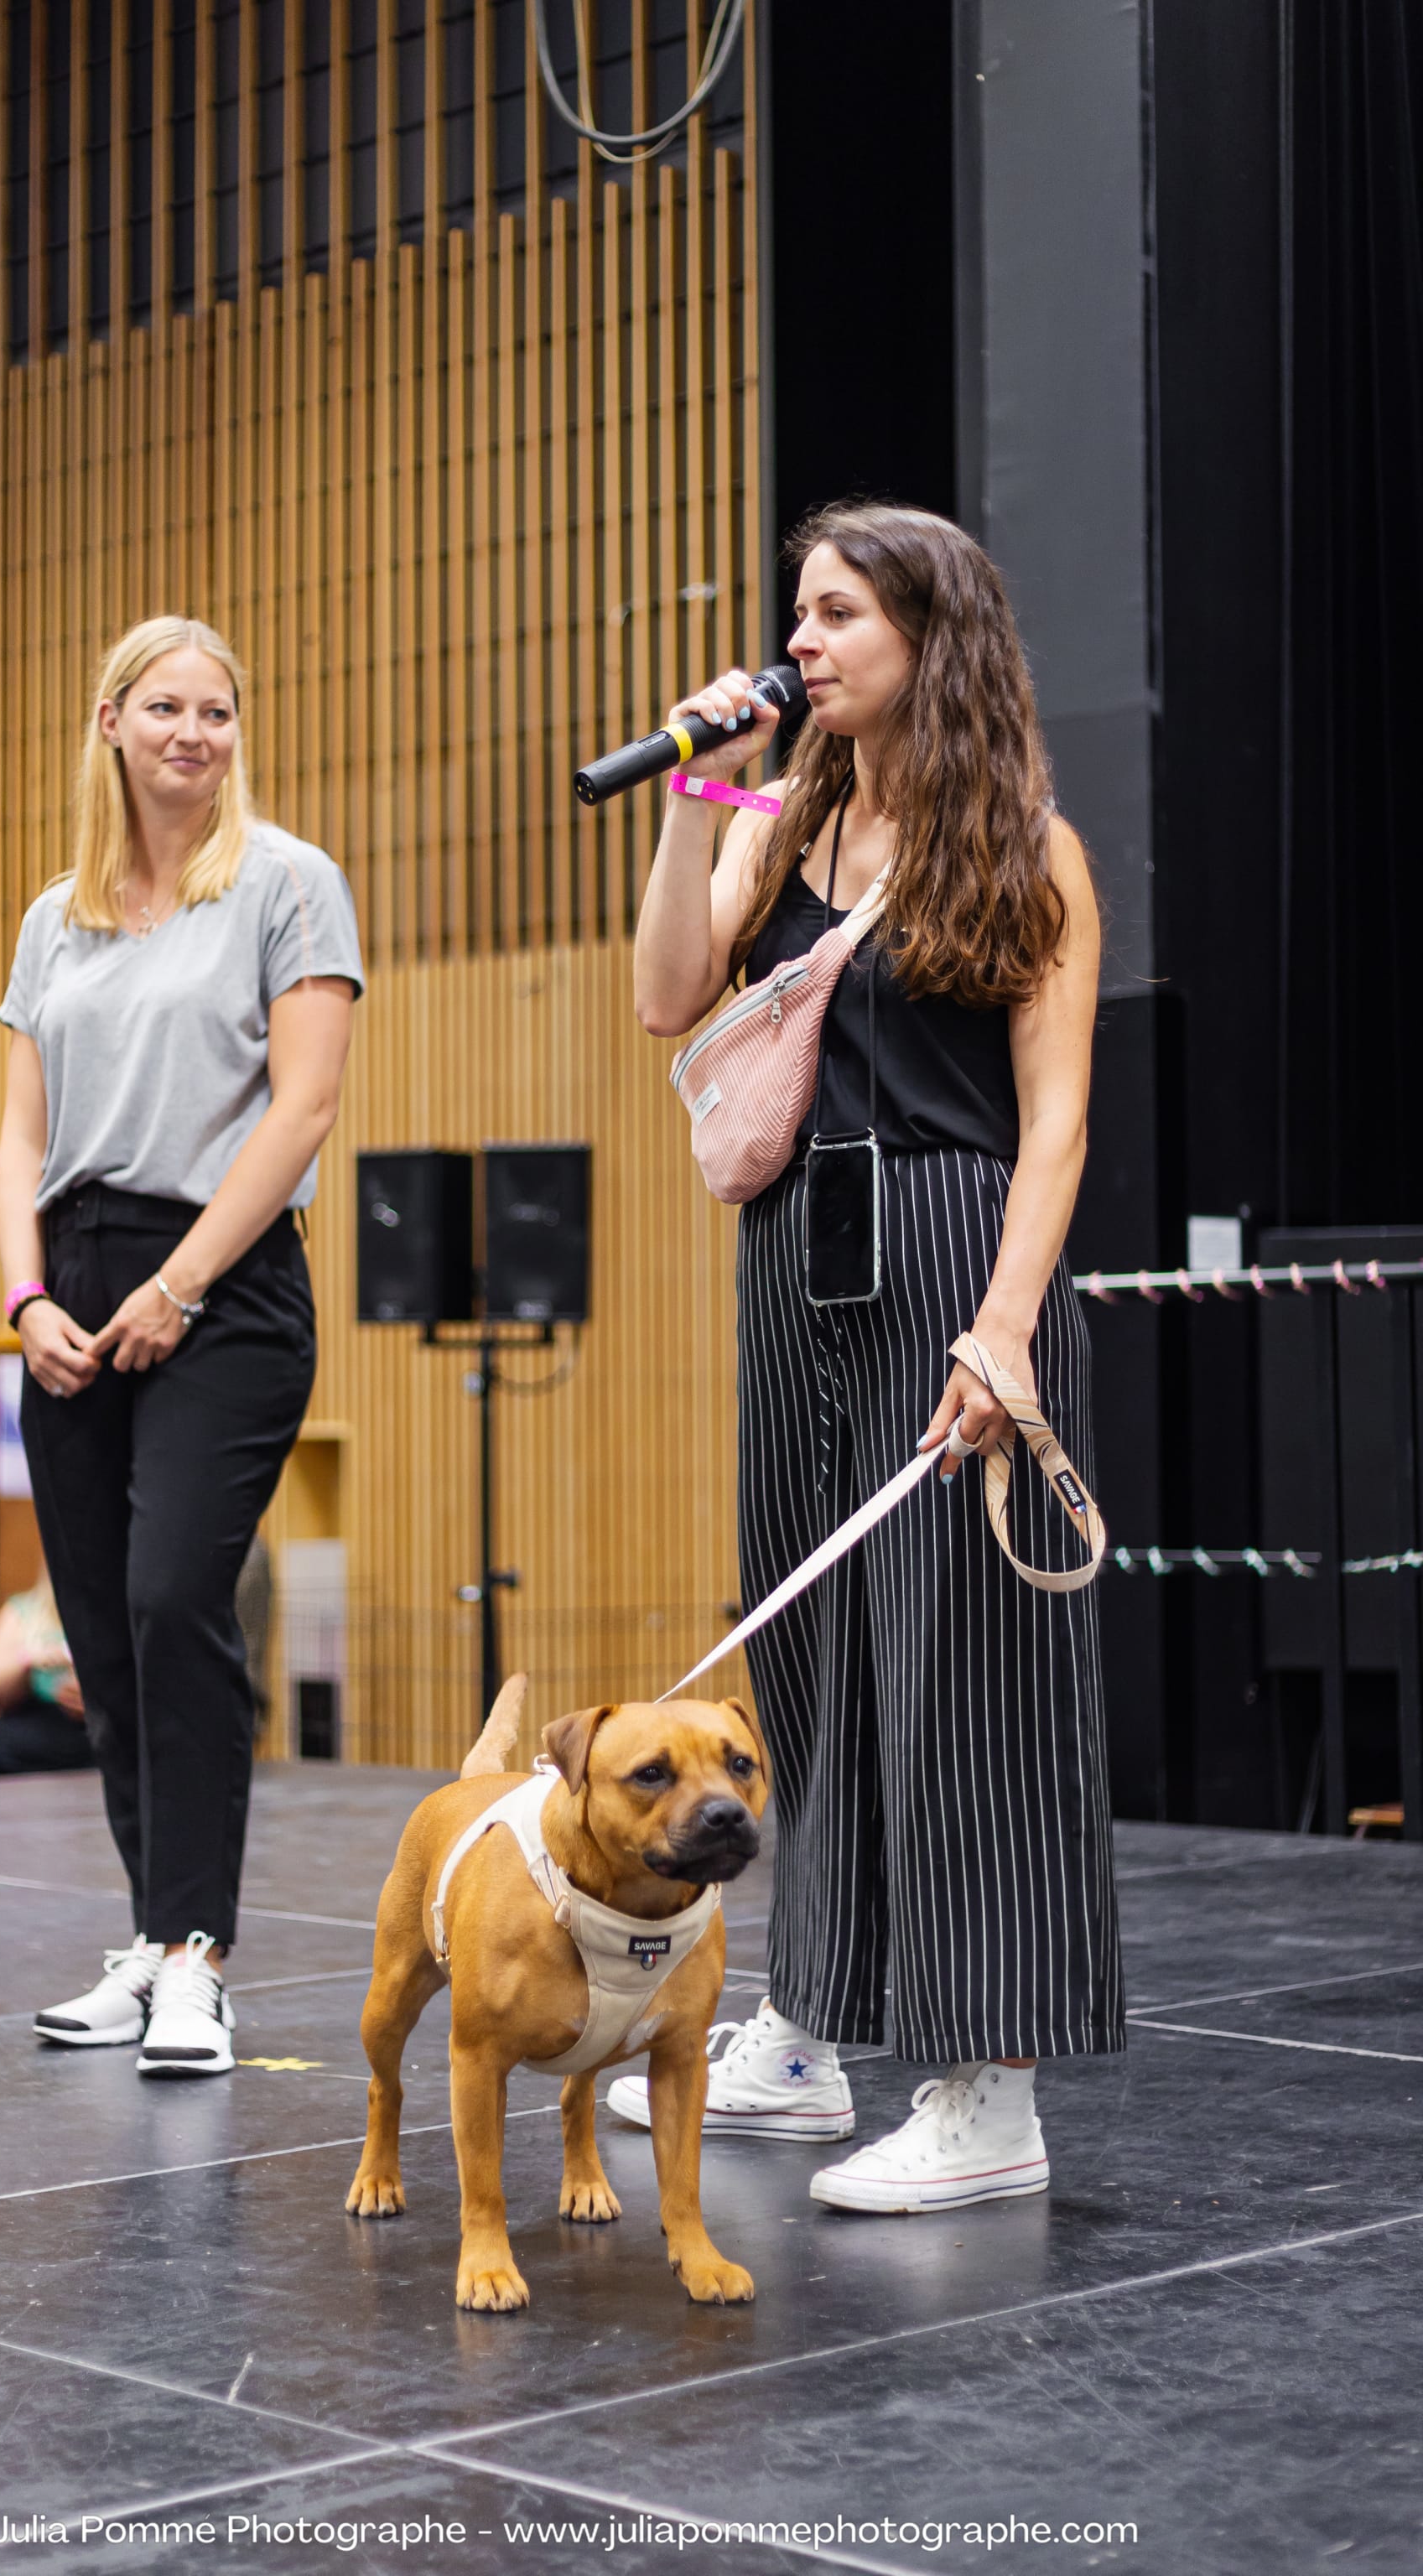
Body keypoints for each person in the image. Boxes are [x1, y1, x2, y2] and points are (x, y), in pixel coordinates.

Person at [618, 501, 1121, 2211]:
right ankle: (811, 2019)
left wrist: (1003, 1326)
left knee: (960, 1679)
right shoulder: (790, 824)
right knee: (816, 1654)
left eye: (837, 614)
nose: (805, 640)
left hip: (952, 1254)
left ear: (931, 632)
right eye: (798, 614)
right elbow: (666, 993)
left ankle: (990, 2090)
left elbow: (1051, 1130)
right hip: (796, 1258)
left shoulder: (1027, 853)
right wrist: (699, 799)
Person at [0, 613, 361, 2077]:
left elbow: (303, 1109)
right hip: (74, 1274)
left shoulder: (288, 883)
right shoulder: (52, 917)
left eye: (216, 711)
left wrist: (184, 1285)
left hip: (224, 1282)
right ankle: (151, 1937)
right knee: (101, 1635)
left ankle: (200, 1956)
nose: (193, 732)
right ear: (110, 724)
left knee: (168, 1599)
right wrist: (25, 1300)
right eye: (164, 708)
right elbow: (20, 1132)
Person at [0, 1571, 95, 1776]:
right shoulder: (21, 1612)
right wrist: (30, 1660)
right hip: (24, 1751)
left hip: (90, 1748)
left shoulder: (114, 1615)